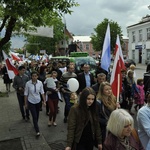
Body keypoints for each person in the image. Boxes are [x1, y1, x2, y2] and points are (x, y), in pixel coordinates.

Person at [24, 71, 46, 136]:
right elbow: (25, 94)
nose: (34, 77)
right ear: (31, 76)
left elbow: (42, 92)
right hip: (31, 101)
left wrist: (44, 101)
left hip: (38, 101)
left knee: (37, 115)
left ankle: (35, 124)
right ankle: (37, 130)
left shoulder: (40, 83)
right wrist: (25, 103)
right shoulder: (28, 83)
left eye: (35, 76)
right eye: (33, 76)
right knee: (34, 116)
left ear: (37, 76)